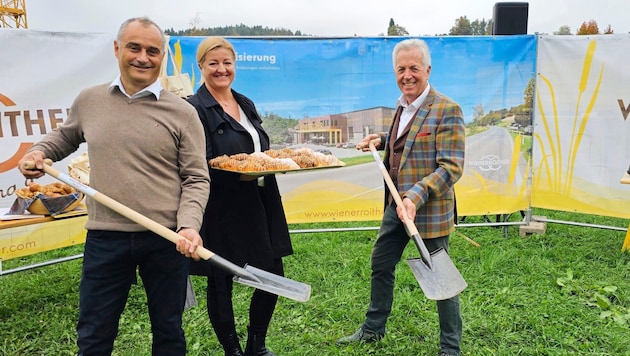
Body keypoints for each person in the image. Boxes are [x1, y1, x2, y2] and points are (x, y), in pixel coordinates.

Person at [17, 17, 210, 355]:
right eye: (134, 47)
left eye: (153, 51)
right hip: (106, 236)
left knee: (169, 330)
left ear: (162, 56)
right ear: (117, 49)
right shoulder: (90, 100)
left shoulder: (182, 112)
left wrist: (189, 226)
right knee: (94, 331)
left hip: (166, 237)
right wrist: (40, 151)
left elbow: (195, 177)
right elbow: (65, 136)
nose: (143, 57)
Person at [336, 38, 466, 356]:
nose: (407, 75)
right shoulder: (403, 105)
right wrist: (379, 139)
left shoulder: (447, 109)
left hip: (428, 210)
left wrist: (414, 196)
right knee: (381, 263)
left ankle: (451, 348)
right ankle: (372, 329)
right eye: (401, 69)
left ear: (428, 70)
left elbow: (451, 167)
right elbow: (404, 144)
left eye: (414, 68)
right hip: (397, 208)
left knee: (440, 279)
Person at [186, 37, 293, 356]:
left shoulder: (245, 103)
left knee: (273, 275)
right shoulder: (194, 109)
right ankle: (232, 350)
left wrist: (274, 162)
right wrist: (238, 169)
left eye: (227, 62)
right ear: (201, 66)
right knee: (222, 280)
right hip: (223, 205)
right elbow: (198, 161)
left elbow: (259, 146)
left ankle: (256, 345)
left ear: (235, 65)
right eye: (213, 63)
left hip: (262, 201)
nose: (221, 69)